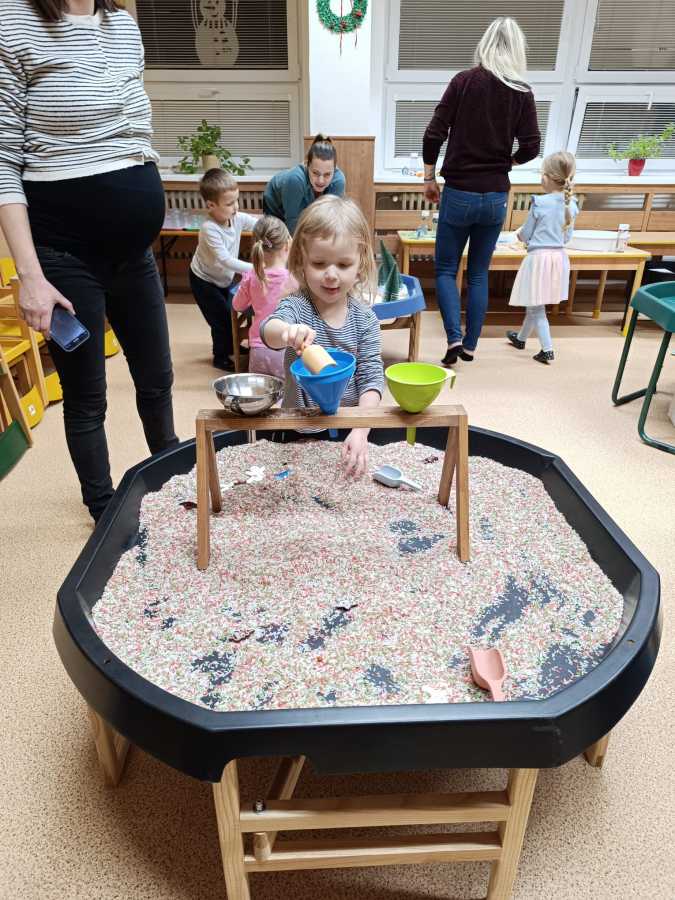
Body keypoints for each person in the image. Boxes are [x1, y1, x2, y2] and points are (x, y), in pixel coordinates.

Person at [0, 0, 178, 523]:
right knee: (87, 397)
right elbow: (3, 161)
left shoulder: (122, 24)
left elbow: (131, 137)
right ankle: (103, 508)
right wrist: (29, 276)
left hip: (134, 253)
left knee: (158, 379)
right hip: (64, 256)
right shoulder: (12, 20)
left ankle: (171, 481)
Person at [422, 17, 541, 367]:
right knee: (478, 273)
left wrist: (429, 178)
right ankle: (471, 345)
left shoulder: (463, 82)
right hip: (496, 197)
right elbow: (532, 146)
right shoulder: (522, 92)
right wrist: (506, 162)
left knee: (446, 269)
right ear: (517, 50)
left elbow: (433, 134)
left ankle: (453, 338)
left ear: (485, 44)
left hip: (459, 192)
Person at [260, 195, 383, 477]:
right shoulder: (296, 307)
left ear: (361, 264)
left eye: (343, 264)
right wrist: (286, 332)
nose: (331, 275)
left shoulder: (365, 320)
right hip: (297, 429)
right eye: (318, 263)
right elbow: (269, 330)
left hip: (349, 429)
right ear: (301, 261)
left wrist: (361, 430)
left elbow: (372, 379)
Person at [506, 152, 578, 365]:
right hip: (558, 259)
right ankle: (520, 339)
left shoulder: (539, 202)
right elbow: (567, 237)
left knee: (536, 307)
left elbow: (526, 234)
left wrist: (518, 235)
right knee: (535, 301)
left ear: (547, 177)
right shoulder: (572, 204)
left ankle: (547, 350)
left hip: (538, 259)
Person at [189, 169, 258, 371]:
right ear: (211, 205)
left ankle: (230, 346)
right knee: (220, 321)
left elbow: (259, 224)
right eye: (229, 203)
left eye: (237, 200)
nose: (236, 207)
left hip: (223, 279)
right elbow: (226, 260)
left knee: (230, 314)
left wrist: (277, 230)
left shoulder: (236, 218)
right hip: (204, 281)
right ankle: (220, 357)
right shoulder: (209, 229)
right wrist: (258, 269)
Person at [232, 215, 296, 379]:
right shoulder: (294, 279)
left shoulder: (251, 276)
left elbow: (237, 305)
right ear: (287, 245)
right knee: (287, 392)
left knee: (261, 392)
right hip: (285, 348)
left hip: (258, 349)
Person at [263, 135, 346, 235]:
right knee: (279, 238)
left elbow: (331, 219)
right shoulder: (295, 179)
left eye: (327, 174)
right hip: (276, 207)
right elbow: (292, 222)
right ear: (307, 164)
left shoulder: (338, 180)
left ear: (335, 169)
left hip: (303, 210)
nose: (321, 181)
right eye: (315, 173)